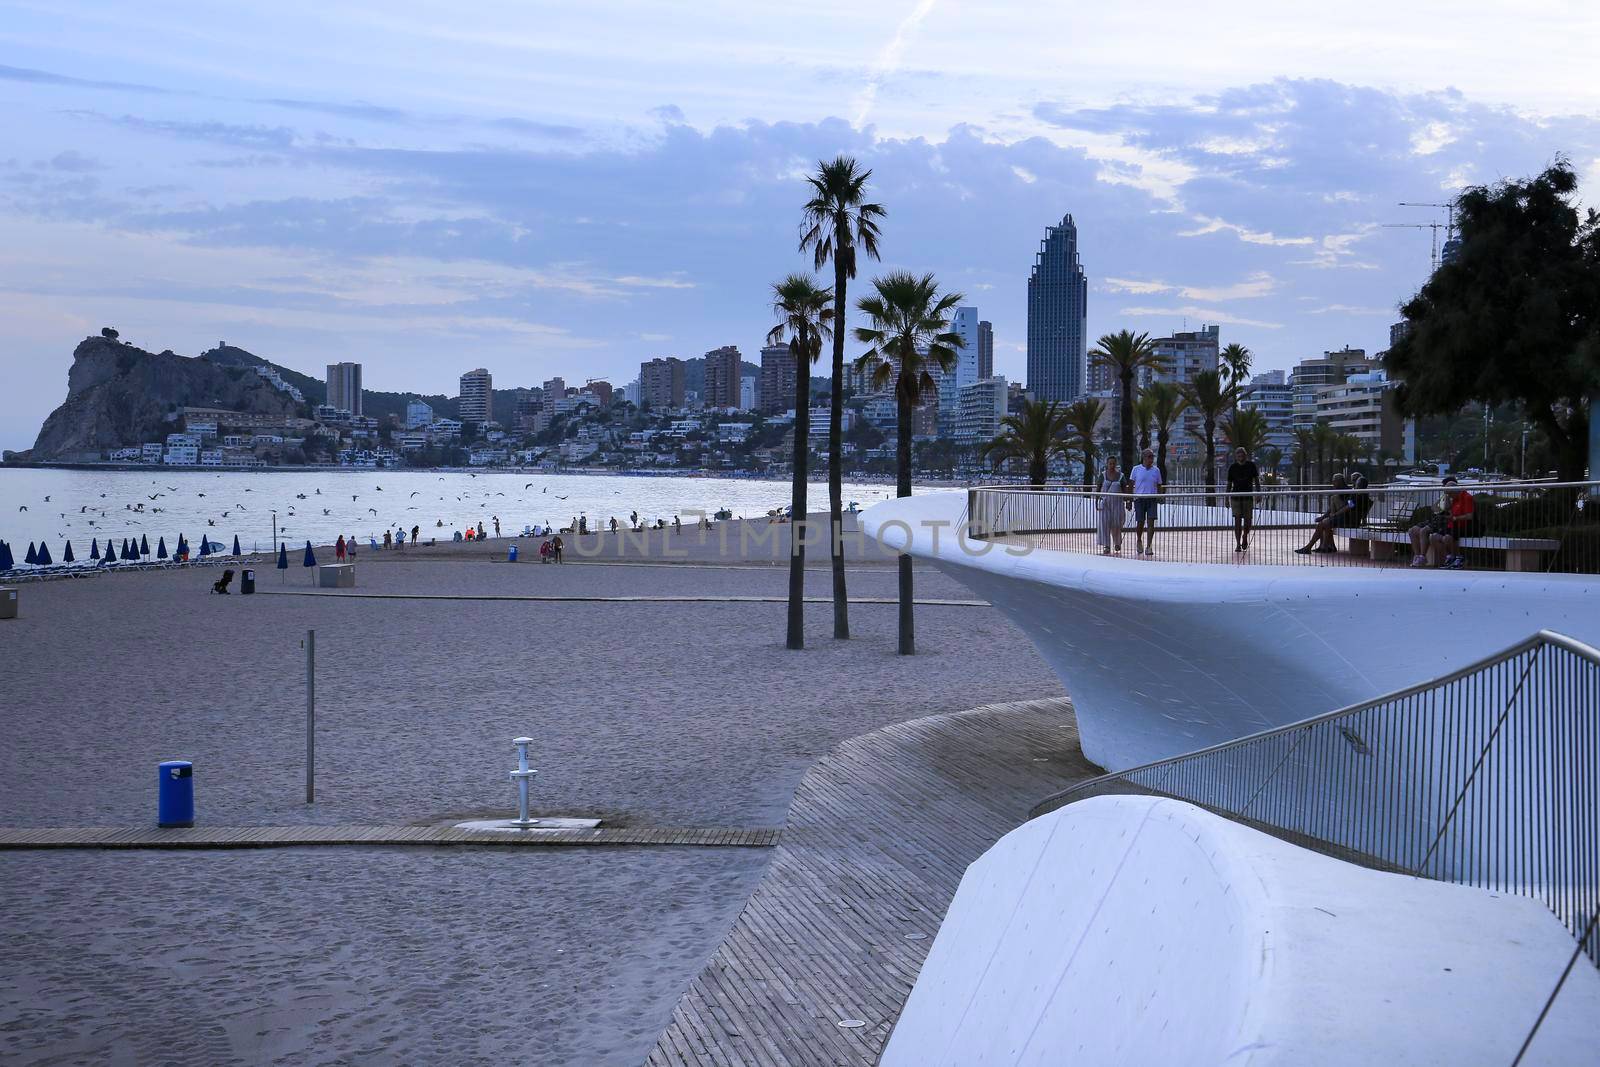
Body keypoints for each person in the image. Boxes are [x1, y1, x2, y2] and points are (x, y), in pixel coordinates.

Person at [1408, 476, 1475, 569]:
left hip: (1456, 525)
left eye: (1448, 493)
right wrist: (1447, 501)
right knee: (1419, 532)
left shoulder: (1465, 497)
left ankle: (1453, 558)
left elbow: (1467, 515)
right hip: (1444, 521)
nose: (1447, 494)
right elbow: (1435, 508)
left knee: (1430, 533)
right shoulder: (1452, 497)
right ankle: (1445, 558)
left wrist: (1453, 517)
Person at [1295, 474, 1355, 554]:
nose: (1333, 483)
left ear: (1339, 481)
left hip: (1346, 518)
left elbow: (1350, 505)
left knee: (1323, 523)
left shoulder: (1348, 491)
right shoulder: (1341, 491)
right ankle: (1326, 546)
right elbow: (1332, 508)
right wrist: (1325, 516)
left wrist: (1335, 514)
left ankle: (1311, 547)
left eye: (1334, 481)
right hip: (1340, 517)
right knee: (1324, 523)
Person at [1225, 447, 1261, 552]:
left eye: (1242, 455)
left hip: (1248, 497)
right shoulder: (1232, 467)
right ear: (1236, 456)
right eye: (1238, 455)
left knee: (1248, 521)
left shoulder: (1251, 466)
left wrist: (1259, 494)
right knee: (1237, 520)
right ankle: (1237, 544)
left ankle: (1245, 535)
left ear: (1245, 456)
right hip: (1235, 497)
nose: (1240, 457)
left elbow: (1257, 481)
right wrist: (1226, 498)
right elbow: (1229, 484)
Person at [1129, 448, 1163, 556]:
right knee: (1140, 522)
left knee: (1151, 522)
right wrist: (1129, 500)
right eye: (1149, 456)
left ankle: (1149, 545)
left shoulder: (1156, 470)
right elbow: (1130, 485)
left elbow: (1159, 484)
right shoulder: (1136, 469)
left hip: (1152, 499)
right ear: (1143, 457)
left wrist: (1160, 496)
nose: (1151, 459)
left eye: (1152, 456)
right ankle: (1139, 540)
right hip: (1139, 499)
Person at [1094, 456, 1129, 555]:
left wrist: (1128, 501)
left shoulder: (1121, 476)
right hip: (1105, 504)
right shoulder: (1102, 475)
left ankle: (1117, 542)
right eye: (1110, 463)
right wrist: (1096, 501)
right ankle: (1107, 545)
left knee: (1117, 524)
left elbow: (1124, 489)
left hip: (1117, 503)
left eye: (1114, 463)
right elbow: (1098, 488)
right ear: (1107, 464)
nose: (1112, 465)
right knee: (1105, 524)